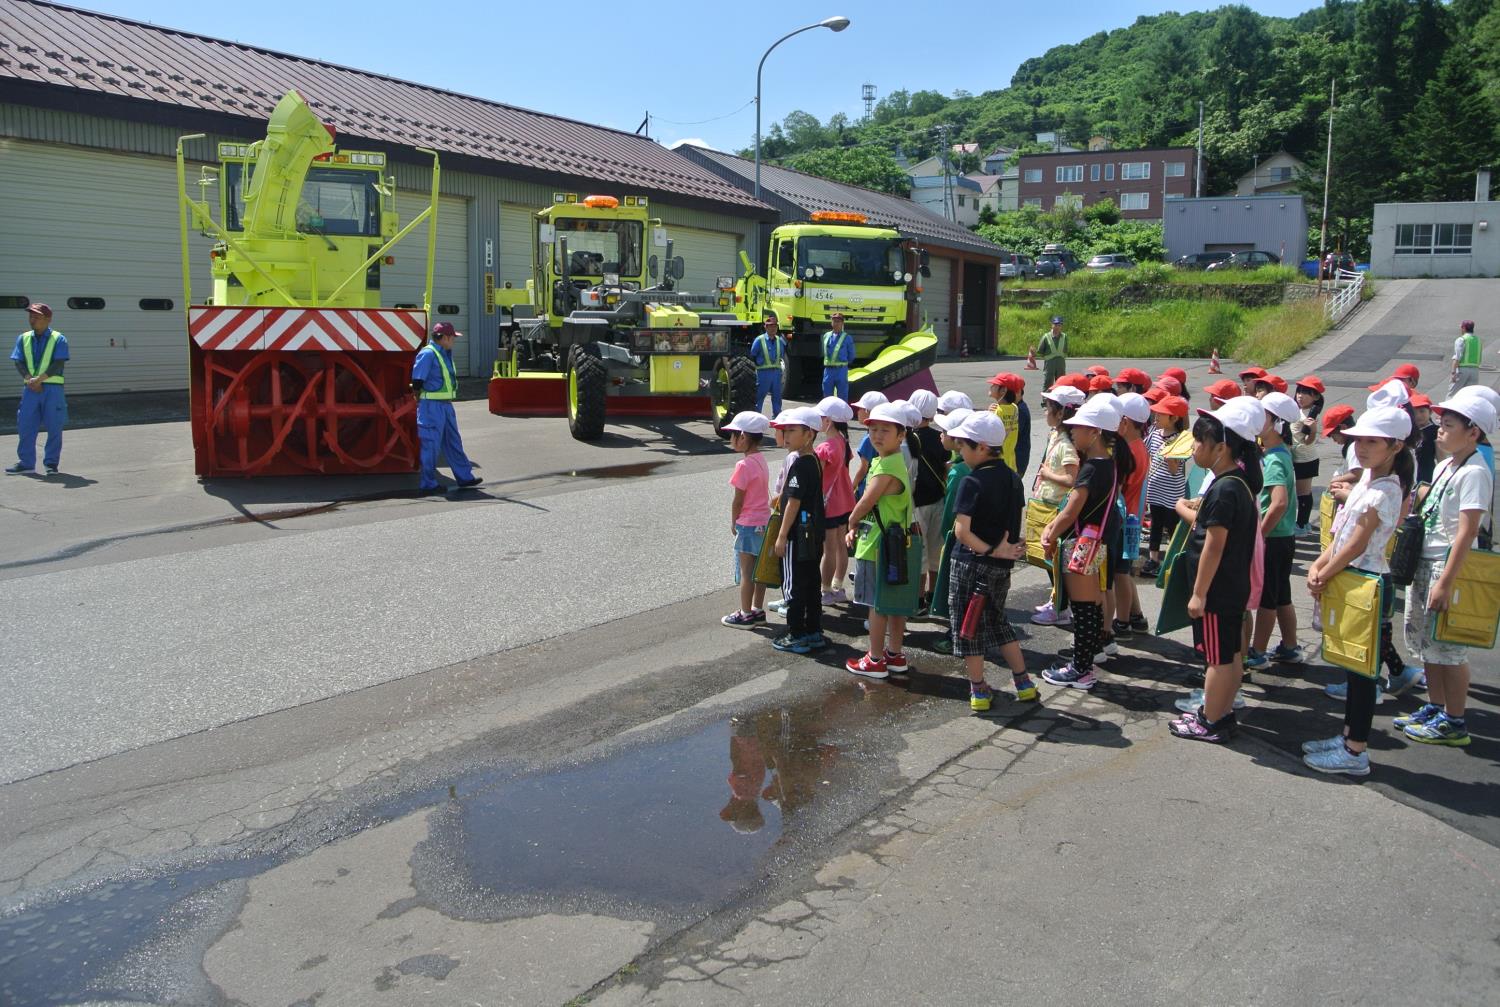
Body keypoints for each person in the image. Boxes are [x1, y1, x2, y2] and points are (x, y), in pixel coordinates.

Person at [1303, 406, 1413, 775]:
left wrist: (1323, 572)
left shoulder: (1384, 490)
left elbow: (1356, 544)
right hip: (1350, 577)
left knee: (1364, 673)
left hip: (1365, 580)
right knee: (1352, 667)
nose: (1362, 448)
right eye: (1359, 440)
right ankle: (1348, 737)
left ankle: (1355, 752)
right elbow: (1342, 536)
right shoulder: (1367, 482)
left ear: (1395, 446)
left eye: (1372, 442)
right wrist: (1320, 565)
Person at [1397, 394, 1496, 748]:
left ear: (1473, 433)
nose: (1440, 430)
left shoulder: (1474, 472)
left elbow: (1467, 532)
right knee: (1427, 644)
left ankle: (1455, 720)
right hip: (1425, 561)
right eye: (1441, 423)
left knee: (1449, 648)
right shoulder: (1446, 465)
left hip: (1445, 566)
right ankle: (1435, 706)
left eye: (1449, 425)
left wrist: (1446, 582)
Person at [1168, 398, 1263, 743]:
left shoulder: (1224, 489)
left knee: (1217, 660)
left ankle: (1209, 720)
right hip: (1231, 587)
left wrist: (1198, 593)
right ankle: (1222, 712)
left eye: (1198, 442)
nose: (1193, 448)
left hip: (1217, 590)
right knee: (1230, 655)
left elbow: (1214, 544)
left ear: (1221, 448)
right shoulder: (1237, 483)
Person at [946, 411, 1036, 711]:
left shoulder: (972, 481)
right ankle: (1023, 681)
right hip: (1002, 566)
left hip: (972, 563)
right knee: (998, 620)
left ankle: (979, 689)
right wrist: (1004, 550)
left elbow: (961, 531)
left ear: (982, 447)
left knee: (969, 625)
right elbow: (1015, 520)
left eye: (964, 445)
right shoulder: (1013, 478)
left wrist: (988, 550)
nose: (960, 450)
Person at [1040, 395, 1127, 690]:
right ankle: (1083, 665)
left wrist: (1049, 533)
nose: (1073, 431)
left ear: (1096, 432)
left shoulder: (1091, 468)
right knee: (1089, 609)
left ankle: (1080, 669)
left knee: (1084, 610)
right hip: (1095, 544)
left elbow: (1070, 511)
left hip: (1080, 546)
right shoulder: (1110, 465)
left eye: (1079, 427)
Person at [846, 402, 918, 680]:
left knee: (876, 605)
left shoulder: (887, 464)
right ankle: (894, 654)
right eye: (873, 429)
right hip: (894, 543)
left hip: (878, 544)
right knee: (894, 603)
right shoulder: (892, 459)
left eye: (884, 430)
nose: (876, 435)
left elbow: (866, 501)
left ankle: (874, 658)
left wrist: (851, 522)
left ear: (901, 435)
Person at [1246, 392, 1305, 669]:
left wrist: (1258, 535)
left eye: (1264, 416)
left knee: (1268, 597)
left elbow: (1278, 502)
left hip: (1273, 539)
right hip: (1283, 537)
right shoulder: (1275, 453)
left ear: (1276, 422)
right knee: (1281, 594)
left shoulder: (1275, 459)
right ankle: (1290, 646)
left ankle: (1257, 651)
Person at [771, 407, 827, 654]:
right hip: (813, 533)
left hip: (797, 535)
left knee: (793, 585)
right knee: (811, 581)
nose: (786, 435)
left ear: (809, 435)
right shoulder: (813, 461)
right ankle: (814, 631)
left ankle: (796, 634)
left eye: (792, 430)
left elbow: (793, 502)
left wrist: (782, 536)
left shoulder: (801, 464)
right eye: (785, 430)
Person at [1030, 384, 1084, 628]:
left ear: (1061, 413)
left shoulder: (1067, 444)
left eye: (1048, 407)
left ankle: (1061, 607)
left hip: (1055, 508)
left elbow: (1072, 479)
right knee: (1047, 559)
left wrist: (1049, 474)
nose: (1045, 411)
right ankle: (1057, 600)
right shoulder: (1057, 436)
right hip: (1046, 504)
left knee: (1054, 559)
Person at [412, 322, 480, 495]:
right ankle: (428, 484)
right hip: (432, 407)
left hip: (445, 406)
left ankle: (465, 477)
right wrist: (419, 400)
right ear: (445, 337)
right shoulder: (429, 353)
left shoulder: (444, 353)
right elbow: (417, 381)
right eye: (453, 338)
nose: (454, 341)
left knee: (453, 442)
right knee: (431, 445)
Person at [721, 411, 772, 628]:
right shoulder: (761, 459)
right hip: (764, 521)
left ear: (743, 437)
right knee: (760, 570)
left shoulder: (743, 465)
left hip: (748, 523)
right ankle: (758, 609)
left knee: (746, 571)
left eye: (732, 435)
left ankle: (745, 613)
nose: (731, 440)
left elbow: (738, 500)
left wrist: (734, 521)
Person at [1110, 392, 1152, 640]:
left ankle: (1122, 622)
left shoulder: (1129, 451)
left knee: (1120, 573)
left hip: (1125, 519)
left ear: (1125, 421)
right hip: (1134, 517)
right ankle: (1136, 616)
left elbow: (1119, 487)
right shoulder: (1139, 446)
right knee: (1124, 570)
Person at [8, 303, 69, 476]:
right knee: (25, 425)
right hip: (30, 389)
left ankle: (51, 464)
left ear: (48, 319)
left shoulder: (59, 338)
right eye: (31, 316)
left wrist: (39, 380)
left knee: (54, 426)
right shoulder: (24, 338)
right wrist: (29, 379)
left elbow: (58, 363)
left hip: (52, 389)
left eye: (37, 316)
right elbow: (18, 361)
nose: (32, 319)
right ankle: (26, 463)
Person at [907, 389, 948, 613]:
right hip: (938, 500)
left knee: (919, 554)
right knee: (935, 553)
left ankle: (918, 600)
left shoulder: (908, 439)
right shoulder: (938, 437)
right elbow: (944, 468)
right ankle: (934, 596)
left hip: (918, 504)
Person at [814, 396, 857, 604]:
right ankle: (838, 587)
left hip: (829, 504)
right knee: (841, 545)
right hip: (845, 500)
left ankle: (825, 590)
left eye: (821, 417)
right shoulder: (843, 441)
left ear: (828, 421)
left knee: (828, 548)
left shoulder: (825, 448)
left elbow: (817, 477)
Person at [1141, 394, 1189, 579]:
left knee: (1172, 526)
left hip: (1172, 493)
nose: (1156, 417)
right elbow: (1148, 457)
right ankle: (1153, 559)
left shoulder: (1182, 440)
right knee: (1155, 524)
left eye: (1161, 414)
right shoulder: (1154, 434)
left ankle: (1172, 559)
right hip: (1155, 489)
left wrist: (1170, 454)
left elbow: (1175, 469)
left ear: (1174, 418)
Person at [1290, 376, 1325, 535]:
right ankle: (1302, 523)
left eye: (1306, 393)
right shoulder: (1297, 410)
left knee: (1303, 493)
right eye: (1299, 392)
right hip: (1296, 457)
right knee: (1300, 492)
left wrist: (1312, 431)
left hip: (1305, 459)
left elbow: (1308, 441)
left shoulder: (1309, 417)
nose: (1300, 396)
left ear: (1316, 397)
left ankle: (1303, 525)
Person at [986, 372, 1022, 470]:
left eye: (994, 385)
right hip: (1010, 462)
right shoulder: (1015, 408)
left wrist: (989, 414)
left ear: (1003, 391)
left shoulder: (996, 412)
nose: (991, 386)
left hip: (997, 464)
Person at [750, 317, 786, 415]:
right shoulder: (759, 340)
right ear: (765, 327)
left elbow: (781, 356)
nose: (773, 328)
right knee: (759, 397)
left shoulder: (780, 341)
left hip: (776, 374)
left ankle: (777, 418)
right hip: (763, 374)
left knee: (777, 397)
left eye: (775, 326)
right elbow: (752, 355)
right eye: (770, 326)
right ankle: (756, 418)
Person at [820, 312, 856, 401]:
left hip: (841, 370)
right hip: (828, 370)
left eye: (838, 321)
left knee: (842, 397)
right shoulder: (826, 336)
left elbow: (851, 355)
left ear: (842, 323)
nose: (836, 323)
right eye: (834, 321)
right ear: (831, 322)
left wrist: (843, 363)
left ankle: (842, 415)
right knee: (827, 397)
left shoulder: (847, 338)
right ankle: (828, 415)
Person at [1450, 320, 1481, 397]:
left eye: (1461, 327)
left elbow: (1457, 357)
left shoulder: (1462, 339)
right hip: (1475, 371)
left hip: (1462, 371)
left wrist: (1453, 372)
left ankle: (1449, 409)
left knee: (1453, 394)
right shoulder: (1478, 340)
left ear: (1464, 328)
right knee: (1469, 396)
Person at [1037, 316, 1068, 390]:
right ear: (1052, 325)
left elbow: (1065, 349)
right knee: (1048, 382)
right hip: (1050, 363)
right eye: (1055, 325)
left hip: (1061, 363)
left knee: (1061, 382)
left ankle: (1059, 400)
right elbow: (1040, 350)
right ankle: (1045, 401)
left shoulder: (1064, 336)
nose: (1057, 327)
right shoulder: (1046, 336)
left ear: (1061, 326)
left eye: (1059, 325)